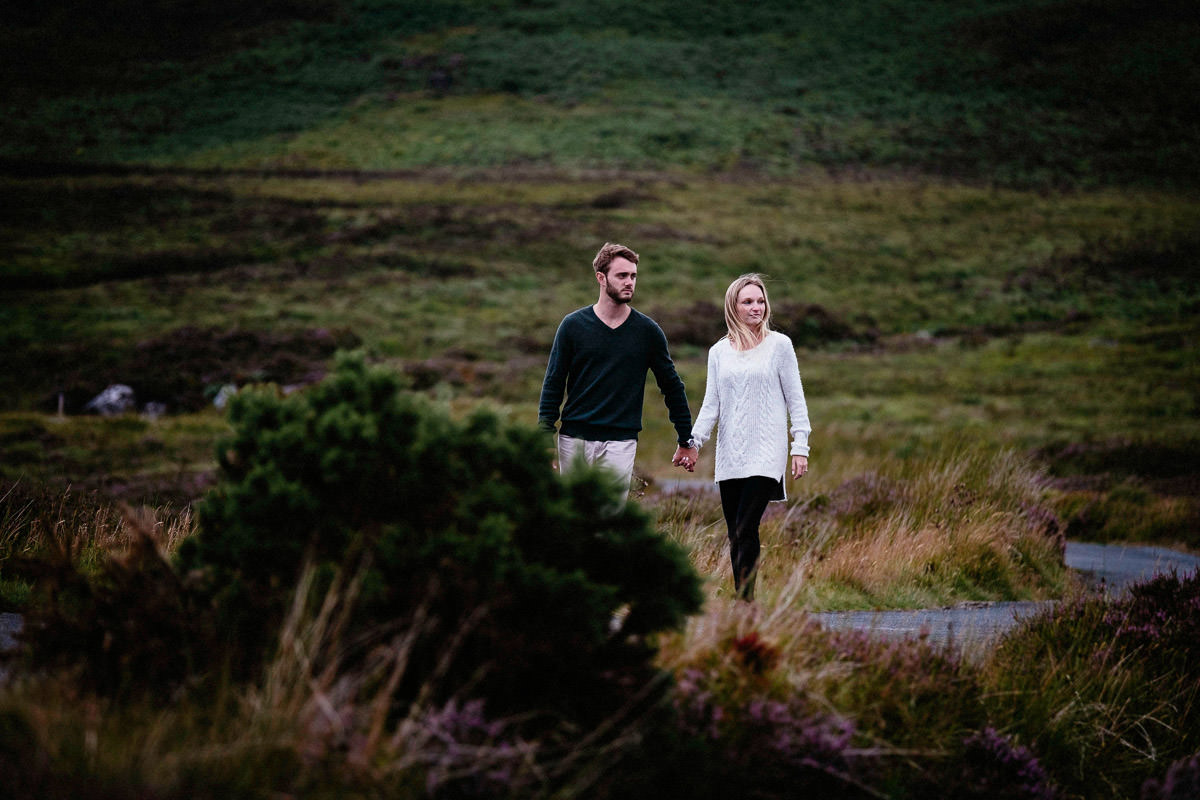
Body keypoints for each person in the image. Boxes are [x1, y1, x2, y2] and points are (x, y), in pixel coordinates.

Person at [538, 242, 699, 503]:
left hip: (620, 441)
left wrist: (685, 439)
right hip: (574, 439)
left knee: (608, 520)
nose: (630, 282)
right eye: (622, 275)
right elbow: (553, 384)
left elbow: (671, 386)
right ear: (601, 278)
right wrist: (544, 440)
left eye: (633, 276)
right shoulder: (572, 326)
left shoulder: (647, 332)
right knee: (573, 518)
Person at [691, 274, 811, 600]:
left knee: (746, 526)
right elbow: (711, 404)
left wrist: (800, 446)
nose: (756, 307)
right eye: (748, 302)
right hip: (730, 454)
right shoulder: (718, 352)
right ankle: (744, 602)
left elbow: (796, 400)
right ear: (734, 306)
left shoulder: (779, 346)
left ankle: (745, 603)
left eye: (760, 301)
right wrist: (694, 442)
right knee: (735, 533)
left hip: (766, 453)